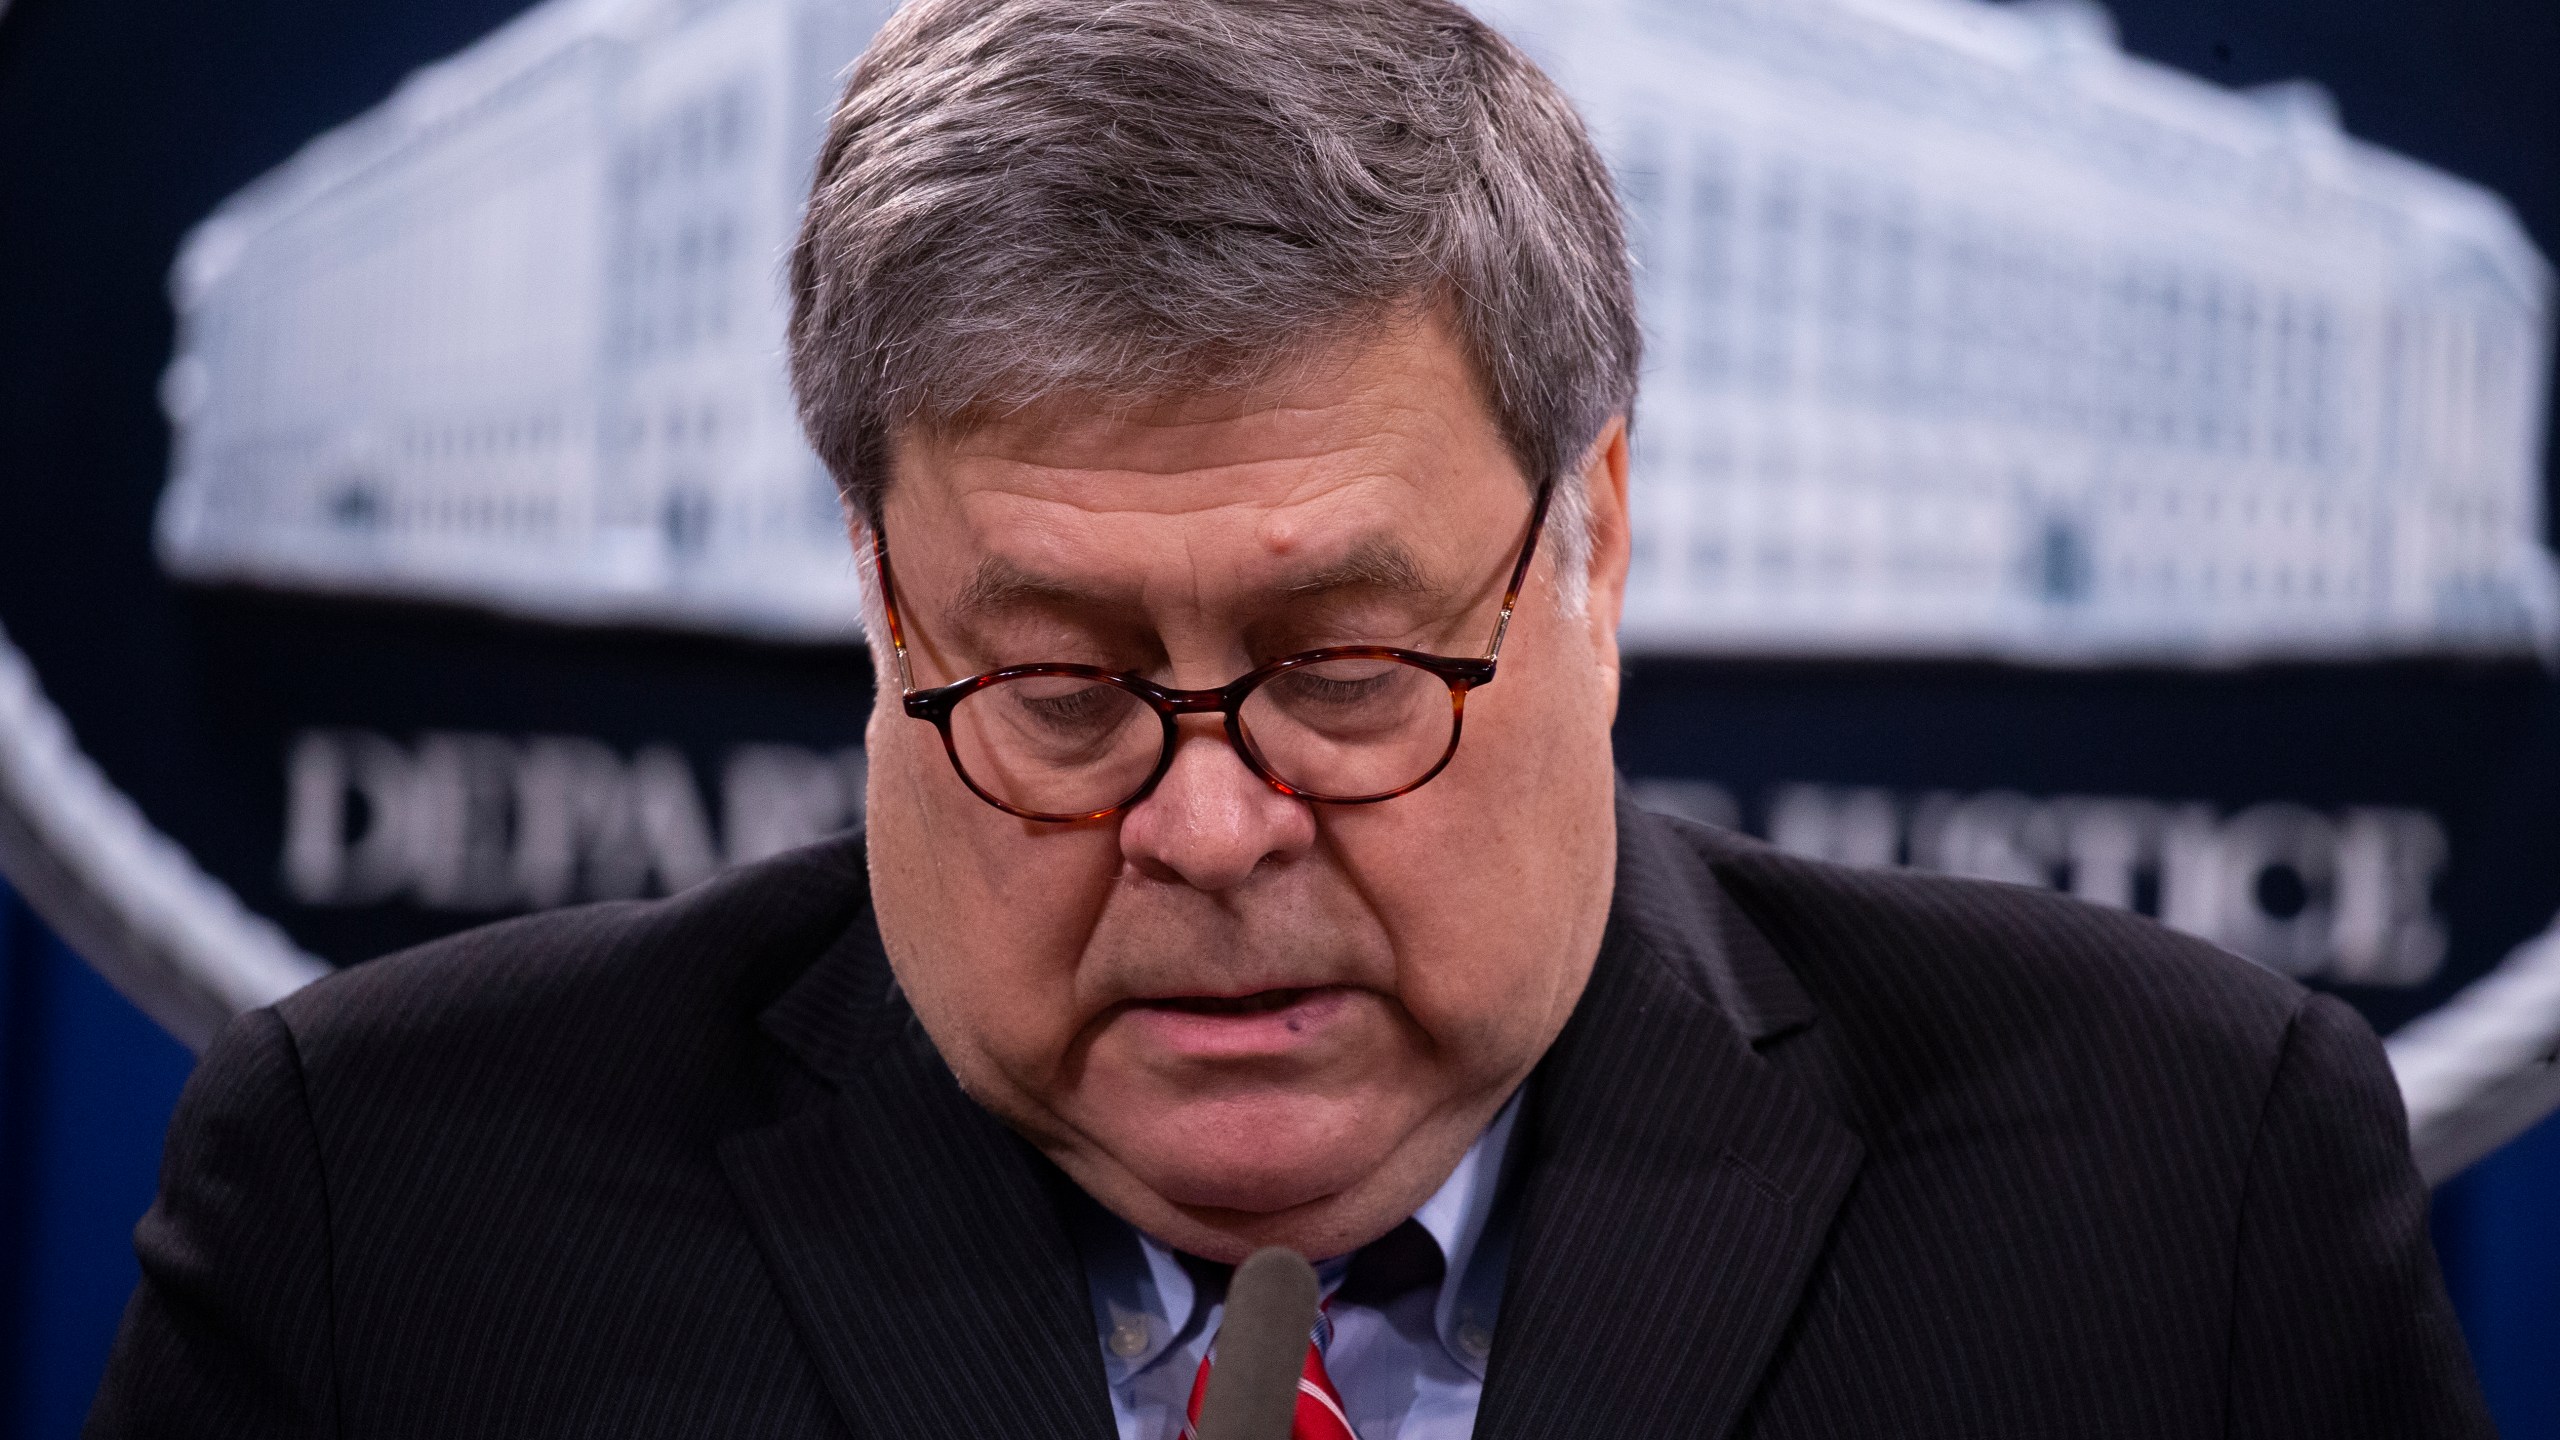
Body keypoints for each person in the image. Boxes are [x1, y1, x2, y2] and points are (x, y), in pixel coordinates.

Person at [91, 0, 2491, 1435]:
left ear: (1596, 550)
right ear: (875, 601)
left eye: (1349, 678)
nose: (1214, 829)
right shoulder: (385, 1216)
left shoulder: (2172, 1192)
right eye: (1052, 690)